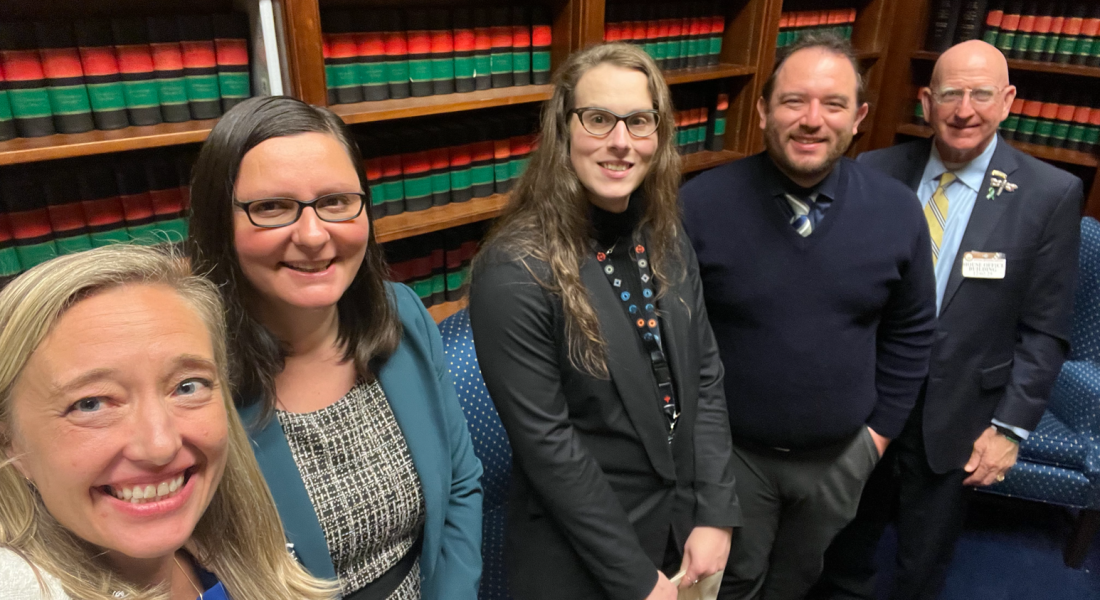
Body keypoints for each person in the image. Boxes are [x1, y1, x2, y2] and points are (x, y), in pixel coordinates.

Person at [812, 39, 1083, 600]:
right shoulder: (875, 170)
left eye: (981, 94)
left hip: (961, 410)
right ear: (926, 101)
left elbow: (1046, 330)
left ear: (1007, 100)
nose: (965, 110)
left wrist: (1009, 428)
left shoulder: (1050, 194)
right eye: (951, 94)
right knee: (844, 541)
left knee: (923, 559)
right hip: (868, 399)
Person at [468, 42, 739, 600]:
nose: (621, 142)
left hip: (680, 527)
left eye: (639, 121)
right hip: (581, 555)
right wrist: (637, 580)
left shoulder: (664, 231)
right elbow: (550, 448)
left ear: (660, 133)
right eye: (598, 119)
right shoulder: (514, 268)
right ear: (563, 129)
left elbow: (705, 376)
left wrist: (715, 510)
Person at [187, 96, 483, 600]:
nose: (313, 234)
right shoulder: (191, 377)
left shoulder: (402, 314)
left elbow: (460, 484)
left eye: (336, 202)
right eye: (272, 208)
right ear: (222, 223)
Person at [679, 33, 938, 600]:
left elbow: (913, 330)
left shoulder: (897, 211)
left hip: (842, 455)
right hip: (731, 456)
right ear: (763, 108)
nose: (812, 120)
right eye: (794, 101)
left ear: (860, 117)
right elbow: (676, 343)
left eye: (834, 104)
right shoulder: (698, 205)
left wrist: (876, 439)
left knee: (799, 578)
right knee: (729, 581)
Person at [0, 244, 336, 600]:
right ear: (10, 443)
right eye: (91, 404)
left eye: (187, 386)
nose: (161, 445)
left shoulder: (223, 555)